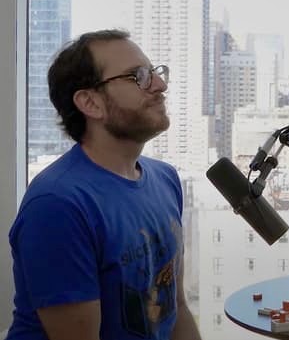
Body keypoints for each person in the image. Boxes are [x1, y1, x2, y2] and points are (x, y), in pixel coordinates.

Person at [7, 30, 202, 340]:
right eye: (138, 76)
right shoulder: (57, 206)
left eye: (155, 72)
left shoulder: (165, 179)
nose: (160, 85)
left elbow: (176, 308)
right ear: (90, 102)